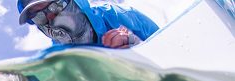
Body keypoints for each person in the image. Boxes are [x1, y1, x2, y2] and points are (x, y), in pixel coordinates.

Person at [18, 0, 159, 48]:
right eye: (39, 16)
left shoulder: (122, 16)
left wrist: (139, 48)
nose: (51, 18)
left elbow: (173, 47)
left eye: (57, 5)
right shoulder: (60, 61)